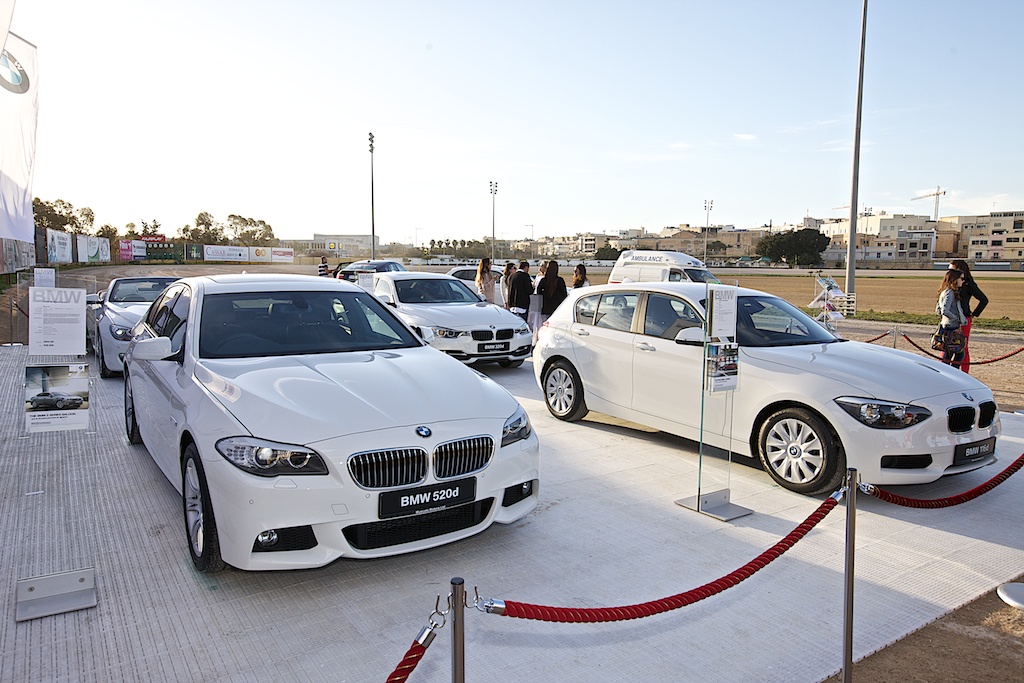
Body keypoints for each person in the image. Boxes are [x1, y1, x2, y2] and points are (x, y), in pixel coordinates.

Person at [948, 259, 988, 374]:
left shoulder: (968, 284)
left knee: (962, 348)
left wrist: (974, 314)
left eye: (952, 269)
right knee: (946, 346)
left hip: (964, 319)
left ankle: (965, 374)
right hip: (950, 319)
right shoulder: (949, 283)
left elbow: (984, 300)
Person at [936, 269, 967, 367]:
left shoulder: (945, 292)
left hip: (947, 326)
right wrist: (955, 318)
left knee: (950, 354)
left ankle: (948, 372)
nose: (963, 281)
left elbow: (938, 309)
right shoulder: (950, 293)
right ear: (954, 279)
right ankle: (951, 373)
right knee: (957, 354)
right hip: (951, 327)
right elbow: (944, 310)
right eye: (961, 278)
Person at [537, 261, 569, 328]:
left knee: (546, 326)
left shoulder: (543, 281)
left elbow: (538, 293)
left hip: (546, 308)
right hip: (557, 309)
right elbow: (564, 295)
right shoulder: (560, 281)